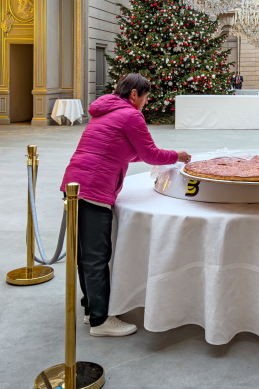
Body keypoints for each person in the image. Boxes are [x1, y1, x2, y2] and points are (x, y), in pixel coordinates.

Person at [61, 73, 191, 338]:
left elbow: (116, 149)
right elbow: (148, 153)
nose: (145, 103)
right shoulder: (131, 115)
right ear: (134, 94)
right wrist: (175, 156)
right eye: (144, 98)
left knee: (84, 255)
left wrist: (148, 157)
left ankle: (90, 309)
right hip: (95, 187)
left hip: (74, 184)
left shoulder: (105, 110)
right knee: (97, 257)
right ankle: (101, 321)